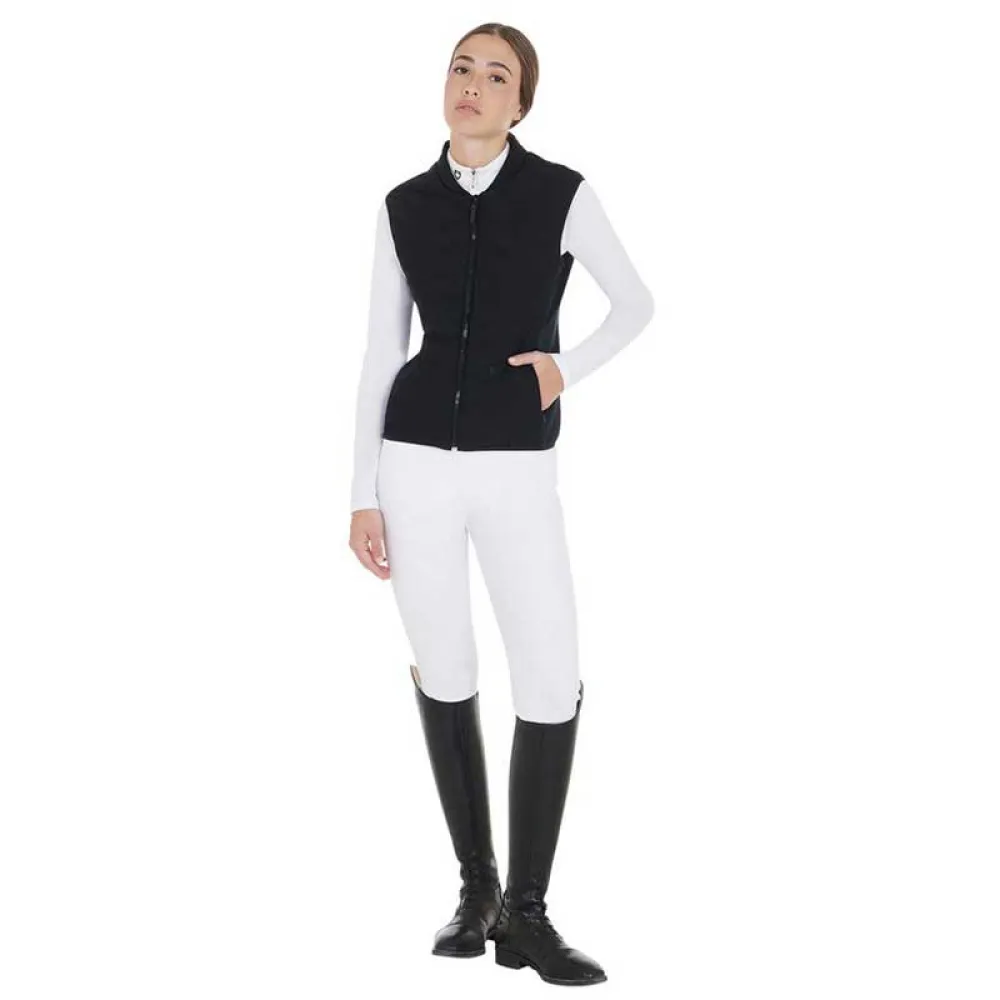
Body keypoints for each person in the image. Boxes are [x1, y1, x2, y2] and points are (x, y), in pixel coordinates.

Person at [348, 23, 654, 987]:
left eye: (495, 75)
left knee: (550, 676)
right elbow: (380, 352)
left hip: (517, 466)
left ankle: (529, 913)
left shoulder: (560, 193)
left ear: (521, 104)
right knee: (444, 669)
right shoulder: (404, 206)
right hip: (413, 466)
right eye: (460, 68)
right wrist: (361, 493)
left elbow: (635, 303)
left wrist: (566, 367)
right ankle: (477, 891)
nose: (471, 86)